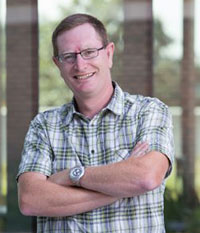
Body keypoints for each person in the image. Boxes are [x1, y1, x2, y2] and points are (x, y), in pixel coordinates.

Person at [17, 13, 174, 233]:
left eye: (89, 52)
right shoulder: (43, 126)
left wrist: (72, 175)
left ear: (109, 54)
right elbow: (30, 199)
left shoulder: (148, 112)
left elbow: (146, 177)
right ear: (57, 64)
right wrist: (122, 186)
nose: (80, 65)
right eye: (69, 56)